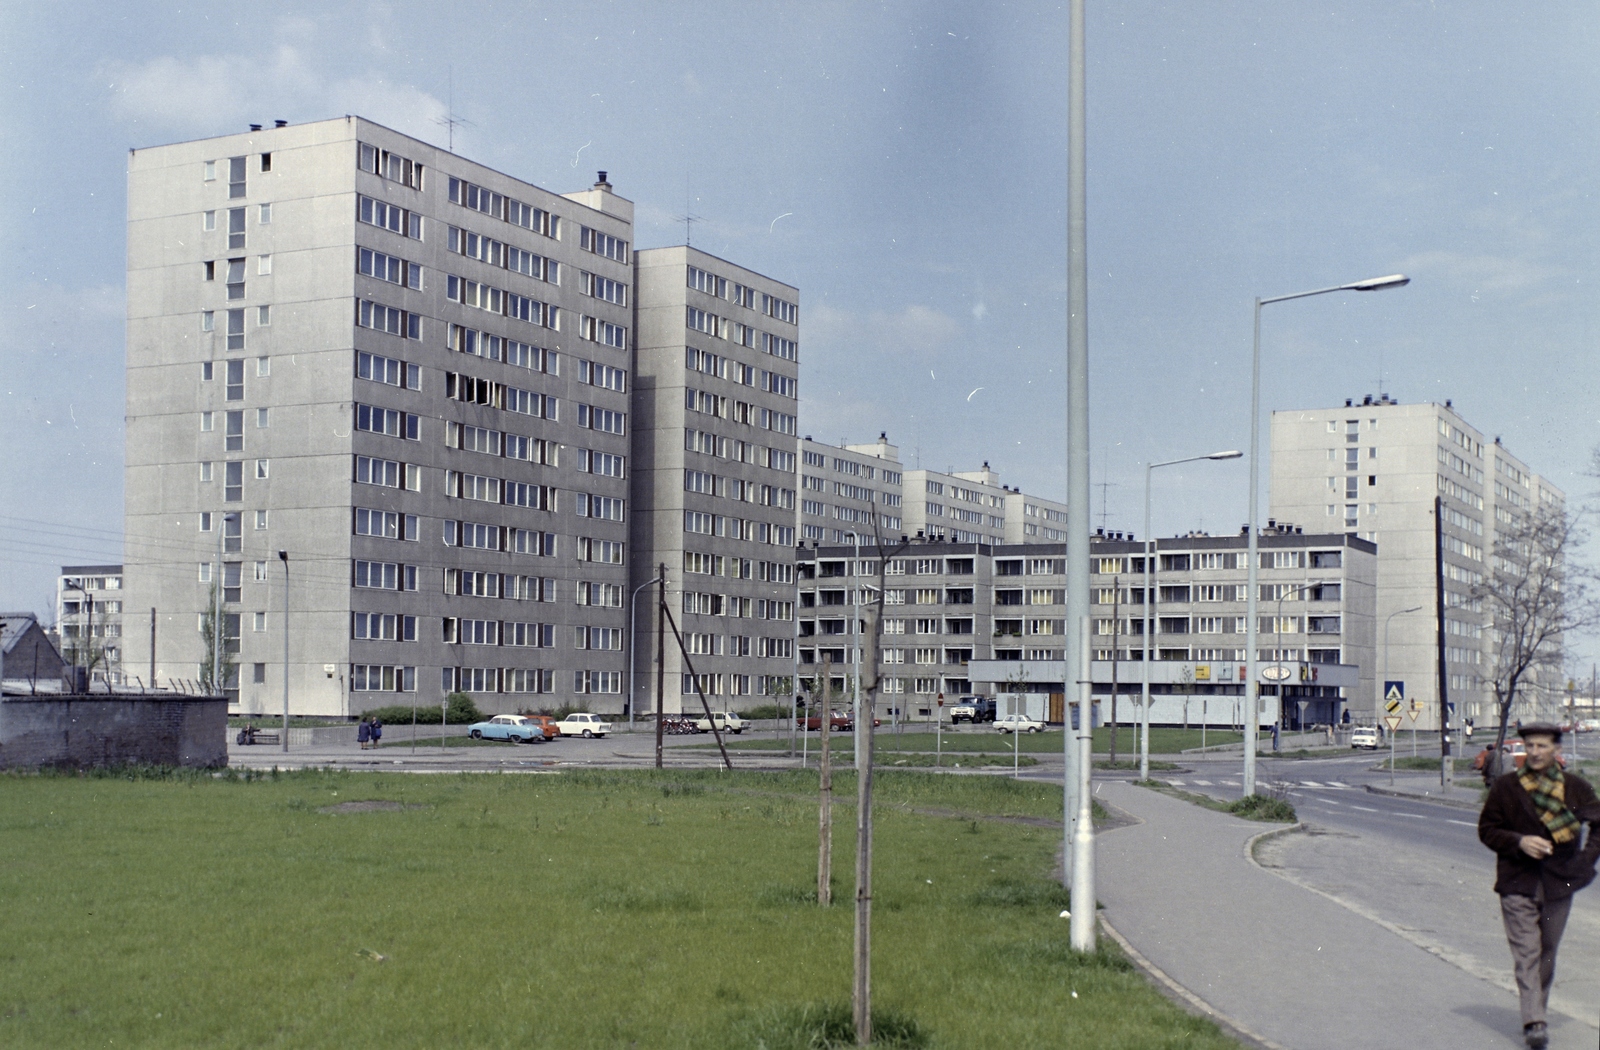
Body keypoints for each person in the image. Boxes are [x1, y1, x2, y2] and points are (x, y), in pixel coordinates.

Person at [1478, 723, 1600, 1049]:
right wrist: (1519, 841)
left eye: (1542, 746)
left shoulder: (1576, 789)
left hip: (1559, 883)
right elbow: (1487, 830)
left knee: (1547, 951)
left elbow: (1598, 826)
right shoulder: (1506, 788)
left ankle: (1537, 1012)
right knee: (1527, 952)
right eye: (1529, 745)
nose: (1534, 752)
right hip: (1517, 882)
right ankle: (1535, 1021)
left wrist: (1584, 862)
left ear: (1556, 750)